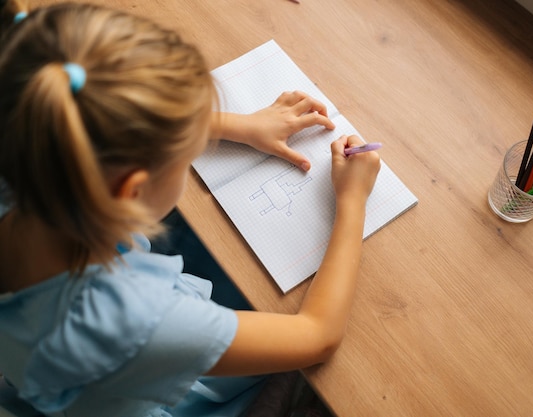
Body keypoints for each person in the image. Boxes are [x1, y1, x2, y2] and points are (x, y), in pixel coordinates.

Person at [0, 1, 381, 416]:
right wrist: (351, 202)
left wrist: (240, 125)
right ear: (131, 191)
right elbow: (317, 336)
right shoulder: (132, 322)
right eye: (184, 154)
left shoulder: (23, 155)